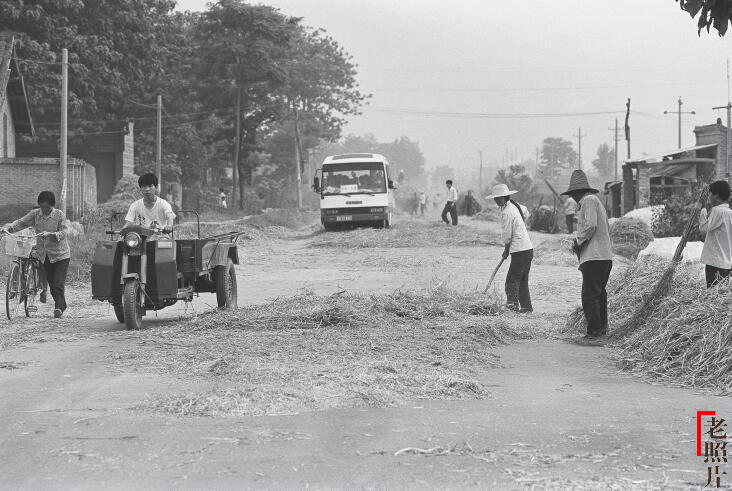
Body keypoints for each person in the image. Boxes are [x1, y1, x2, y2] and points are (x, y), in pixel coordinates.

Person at [562, 170, 613, 344]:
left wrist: (578, 242)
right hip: (603, 256)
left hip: (594, 256)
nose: (573, 198)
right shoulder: (593, 201)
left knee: (589, 295)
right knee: (599, 294)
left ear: (577, 192)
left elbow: (590, 226)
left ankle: (594, 332)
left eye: (573, 194)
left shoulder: (589, 201)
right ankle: (602, 329)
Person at [1, 191, 70, 319]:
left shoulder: (59, 215)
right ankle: (60, 305)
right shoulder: (35, 214)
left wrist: (51, 234)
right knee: (51, 282)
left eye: (46, 207)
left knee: (57, 283)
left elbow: (64, 231)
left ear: (52, 205)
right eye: (42, 207)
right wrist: (9, 228)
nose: (43, 210)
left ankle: (59, 307)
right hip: (44, 254)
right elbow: (21, 222)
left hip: (61, 255)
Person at [485, 184, 534, 313]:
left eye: (498, 198)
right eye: (495, 198)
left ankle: (512, 308)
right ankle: (526, 308)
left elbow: (507, 236)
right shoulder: (515, 206)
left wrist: (506, 249)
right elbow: (526, 212)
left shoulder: (507, 212)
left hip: (520, 250)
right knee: (522, 281)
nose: (496, 201)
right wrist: (520, 226)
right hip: (527, 249)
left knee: (511, 281)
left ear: (504, 197)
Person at [697, 180, 732, 288]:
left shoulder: (717, 211)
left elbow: (704, 229)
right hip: (726, 262)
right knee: (721, 294)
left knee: (713, 292)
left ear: (716, 196)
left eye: (710, 194)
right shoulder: (729, 212)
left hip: (715, 262)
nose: (709, 197)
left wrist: (702, 209)